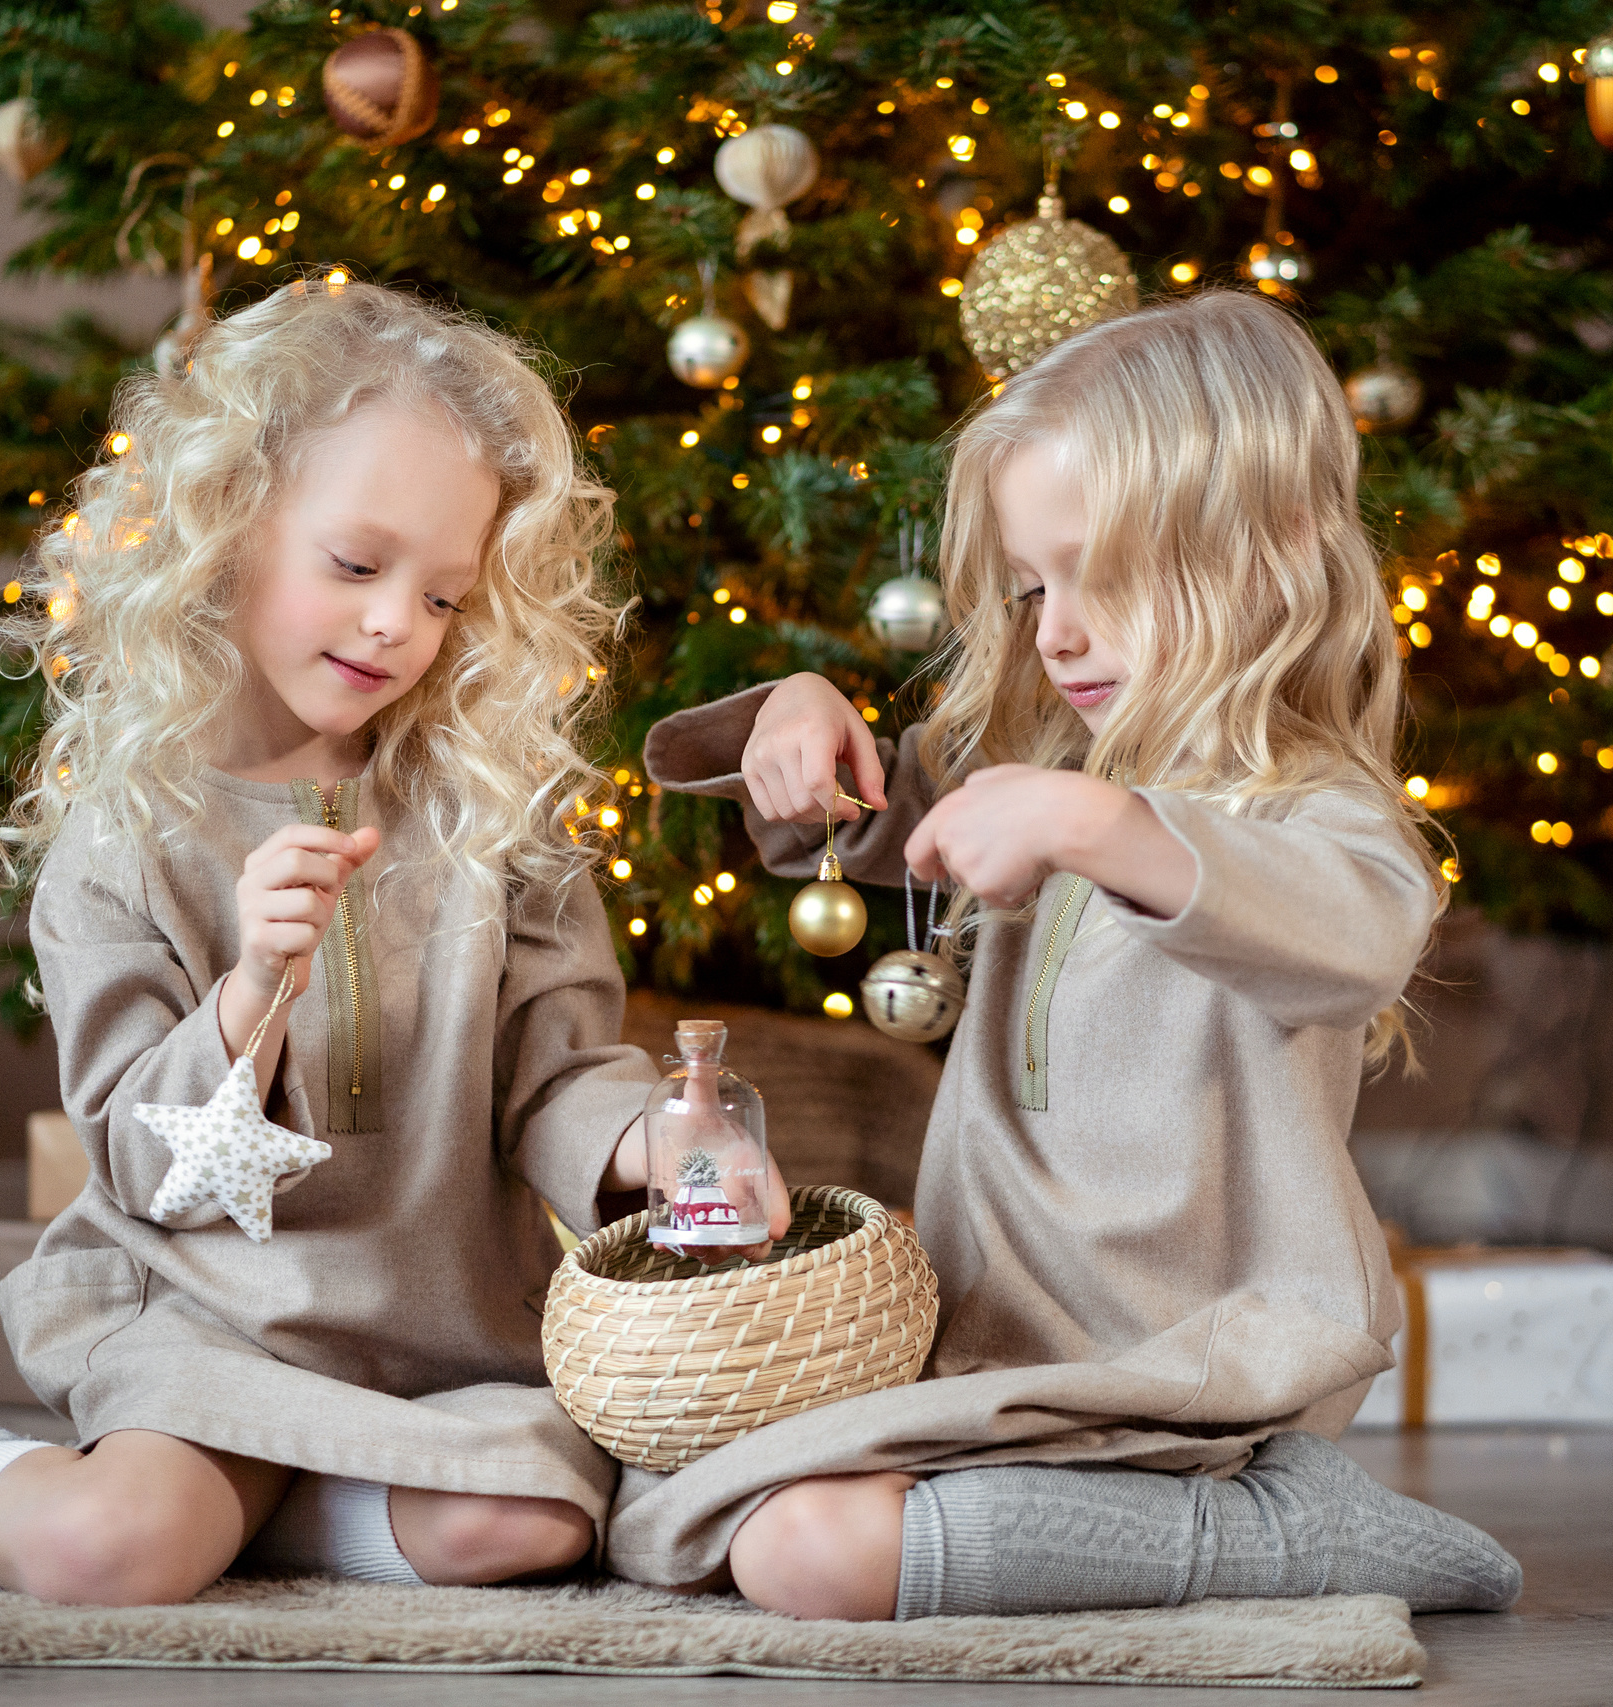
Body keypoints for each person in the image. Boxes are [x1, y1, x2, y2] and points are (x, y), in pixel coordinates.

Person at [0, 278, 739, 1605]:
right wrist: (253, 986)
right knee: (111, 1552)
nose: (397, 623)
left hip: (441, 1326)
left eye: (444, 597)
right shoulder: (128, 830)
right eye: (357, 564)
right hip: (205, 1311)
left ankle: (267, 1497)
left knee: (525, 1532)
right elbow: (145, 1163)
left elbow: (553, 1074)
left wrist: (652, 1142)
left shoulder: (491, 811)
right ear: (230, 528)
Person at [622, 289, 1522, 1620]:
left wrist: (1104, 825)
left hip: (1195, 1359)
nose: (1054, 631)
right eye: (1036, 585)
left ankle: (1300, 1533)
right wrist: (805, 719)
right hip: (991, 1333)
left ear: (1270, 546)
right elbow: (862, 813)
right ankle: (1197, 1524)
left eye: (1104, 575)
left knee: (808, 1553)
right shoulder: (1033, 758)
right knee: (663, 1490)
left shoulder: (1311, 808)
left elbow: (1360, 934)